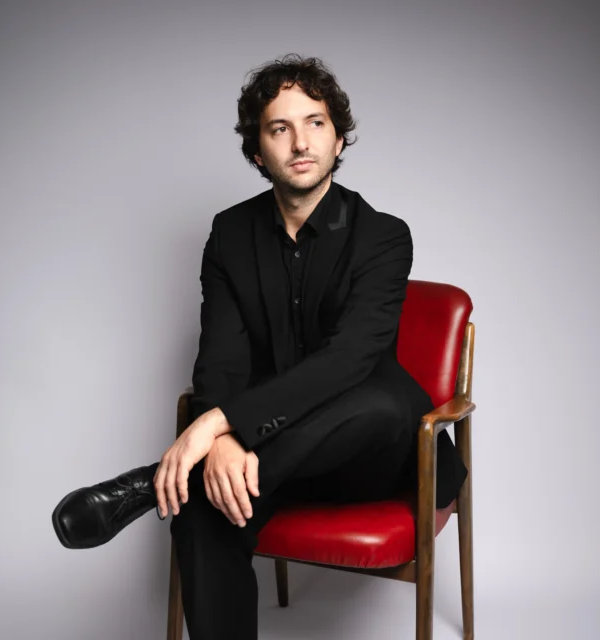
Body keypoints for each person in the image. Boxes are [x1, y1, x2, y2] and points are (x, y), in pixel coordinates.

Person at [51, 53, 466, 639]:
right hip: (271, 461)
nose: (300, 141)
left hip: (369, 457)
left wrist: (214, 428)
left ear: (339, 140)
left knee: (379, 402)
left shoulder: (384, 236)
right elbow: (220, 356)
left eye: (315, 123)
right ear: (256, 152)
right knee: (202, 507)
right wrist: (222, 439)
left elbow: (349, 359)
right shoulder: (229, 235)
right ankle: (194, 481)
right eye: (280, 128)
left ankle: (154, 482)